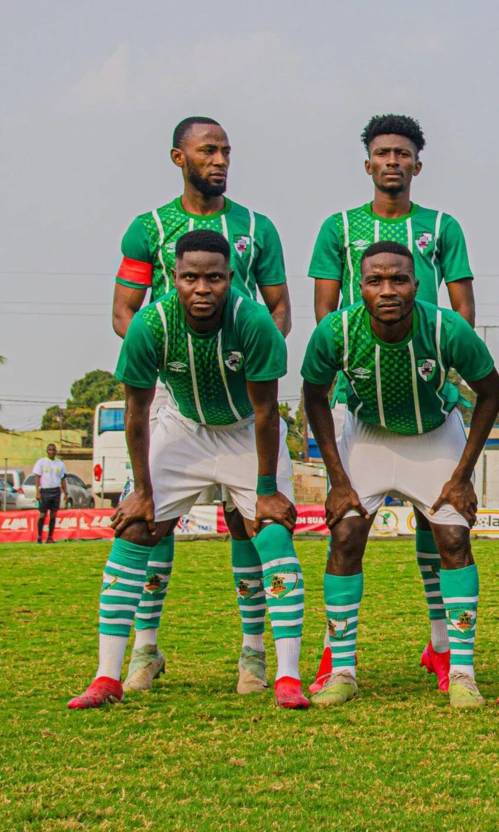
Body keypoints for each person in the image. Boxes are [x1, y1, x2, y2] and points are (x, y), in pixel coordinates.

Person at [70, 230, 308, 709]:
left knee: (273, 532)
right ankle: (106, 677)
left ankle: (285, 676)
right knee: (135, 527)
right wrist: (140, 489)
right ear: (173, 278)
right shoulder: (151, 324)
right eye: (191, 277)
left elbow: (265, 412)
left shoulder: (255, 323)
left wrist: (265, 490)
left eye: (215, 278)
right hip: (183, 428)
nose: (203, 288)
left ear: (230, 279)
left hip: (245, 430)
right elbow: (136, 413)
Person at [111, 116, 293, 696]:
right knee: (149, 520)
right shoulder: (149, 227)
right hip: (173, 387)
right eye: (207, 150)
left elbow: (279, 308)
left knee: (248, 522)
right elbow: (124, 312)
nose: (219, 160)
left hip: (241, 384)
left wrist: (246, 355)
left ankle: (254, 655)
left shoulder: (256, 227)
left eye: (226, 151)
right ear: (178, 157)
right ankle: (144, 650)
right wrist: (171, 359)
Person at [307, 114, 476, 694]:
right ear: (369, 163)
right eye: (383, 153)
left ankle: (447, 653)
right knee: (347, 532)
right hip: (366, 407)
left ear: (417, 165)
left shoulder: (441, 226)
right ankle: (338, 662)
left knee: (444, 531)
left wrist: (435, 367)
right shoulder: (339, 228)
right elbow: (326, 316)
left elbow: (462, 313)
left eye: (403, 153)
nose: (393, 162)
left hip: (431, 401)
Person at [301, 241, 499, 707]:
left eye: (399, 280)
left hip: (434, 435)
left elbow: (490, 392)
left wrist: (464, 474)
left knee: (453, 539)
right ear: (360, 287)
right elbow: (313, 396)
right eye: (375, 280)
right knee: (346, 535)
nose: (387, 289)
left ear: (416, 284)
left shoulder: (445, 328)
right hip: (368, 434)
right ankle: (342, 669)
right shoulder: (335, 332)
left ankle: (462, 671)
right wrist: (337, 479)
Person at [32, 444, 67, 544]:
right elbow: (37, 477)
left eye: (53, 450)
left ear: (56, 451)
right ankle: (39, 537)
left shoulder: (60, 463)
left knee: (53, 516)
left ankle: (50, 537)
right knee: (42, 514)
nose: (51, 451)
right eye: (50, 450)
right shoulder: (41, 462)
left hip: (56, 491)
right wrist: (37, 492)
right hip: (45, 491)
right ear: (47, 451)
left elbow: (63, 479)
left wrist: (66, 493)